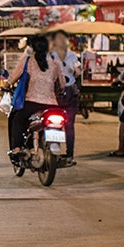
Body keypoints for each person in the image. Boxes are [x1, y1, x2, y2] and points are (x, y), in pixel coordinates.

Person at [6, 33, 64, 161]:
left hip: (31, 103)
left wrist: (6, 84)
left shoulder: (28, 62)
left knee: (17, 119)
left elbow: (13, 78)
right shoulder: (55, 64)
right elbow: (62, 85)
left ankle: (16, 148)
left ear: (32, 47)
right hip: (52, 105)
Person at [49, 31, 80, 162]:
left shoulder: (50, 56)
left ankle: (54, 152)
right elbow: (78, 73)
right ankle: (69, 155)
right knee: (69, 124)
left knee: (53, 123)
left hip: (56, 93)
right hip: (70, 92)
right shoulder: (73, 56)